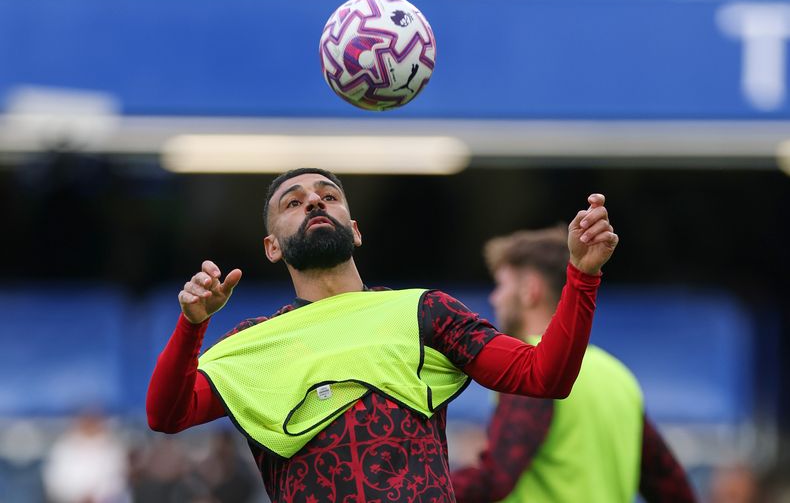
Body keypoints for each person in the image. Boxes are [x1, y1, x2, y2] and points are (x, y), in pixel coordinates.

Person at [146, 168, 618, 503]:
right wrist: (192, 325)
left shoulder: (424, 311)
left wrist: (581, 275)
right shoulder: (254, 344)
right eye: (293, 202)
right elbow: (167, 415)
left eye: (328, 196)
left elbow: (545, 376)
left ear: (354, 230)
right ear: (272, 248)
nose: (314, 201)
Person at [450, 225, 697, 503]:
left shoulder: (525, 366)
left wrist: (415, 489)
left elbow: (495, 478)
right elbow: (670, 486)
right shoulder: (618, 375)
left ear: (530, 290)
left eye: (501, 285)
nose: (495, 298)